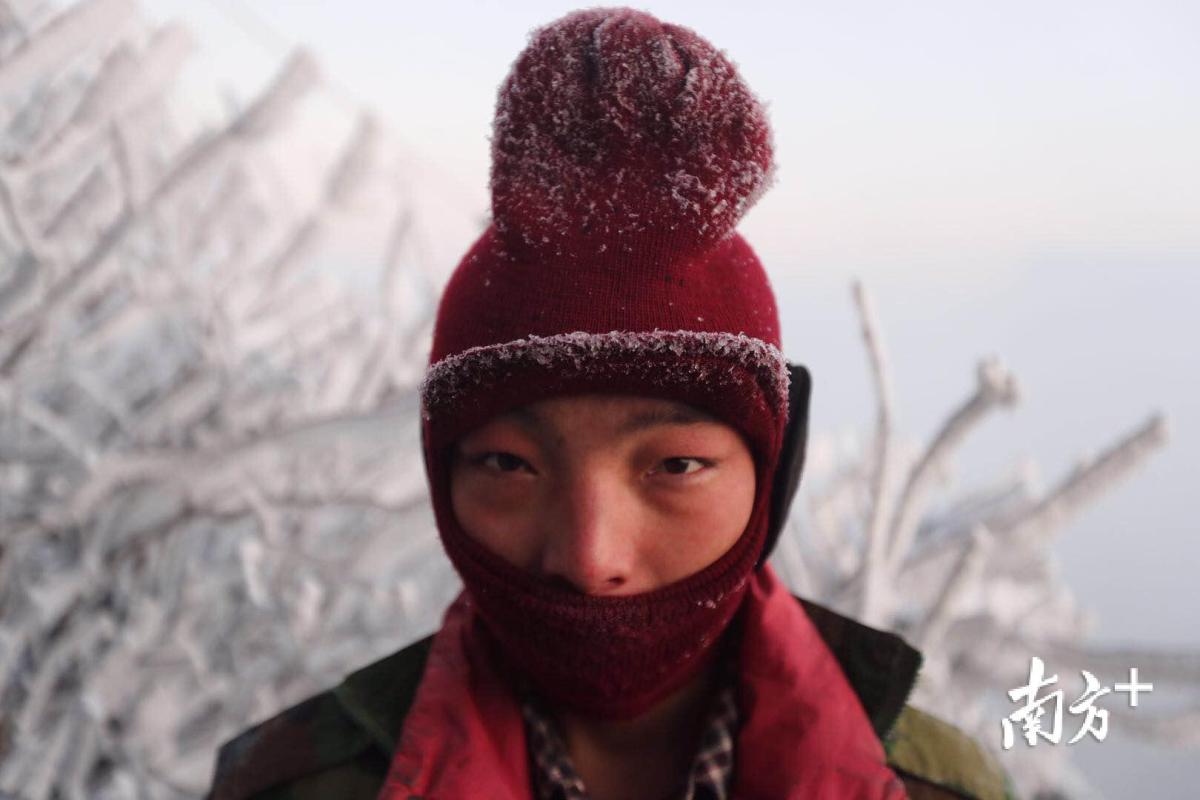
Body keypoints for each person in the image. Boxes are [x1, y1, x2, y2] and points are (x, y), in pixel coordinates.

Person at [207, 7, 1014, 800]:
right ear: (440, 470)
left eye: (675, 465)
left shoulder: (938, 788)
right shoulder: (291, 785)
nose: (590, 560)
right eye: (508, 464)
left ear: (774, 470)